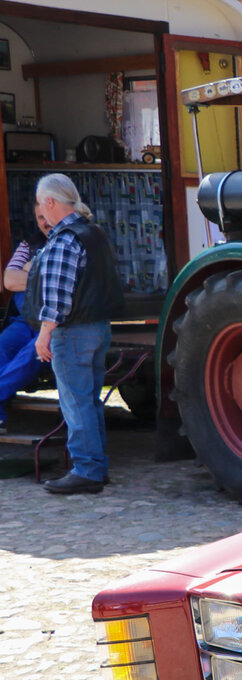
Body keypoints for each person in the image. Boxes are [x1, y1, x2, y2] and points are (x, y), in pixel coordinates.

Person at [28, 174, 123, 494]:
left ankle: (87, 470)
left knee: (76, 403)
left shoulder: (63, 240)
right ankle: (95, 467)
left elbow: (58, 299)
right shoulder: (93, 233)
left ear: (50, 202)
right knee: (89, 401)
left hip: (73, 332)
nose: (41, 210)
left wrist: (44, 334)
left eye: (41, 203)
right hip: (98, 327)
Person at [0, 200, 49, 429]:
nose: (45, 222)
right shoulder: (29, 245)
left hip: (53, 320)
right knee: (3, 346)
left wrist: (29, 271)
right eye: (40, 218)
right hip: (25, 319)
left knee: (31, 354)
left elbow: (60, 280)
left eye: (47, 216)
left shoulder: (67, 242)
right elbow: (9, 281)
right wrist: (40, 276)